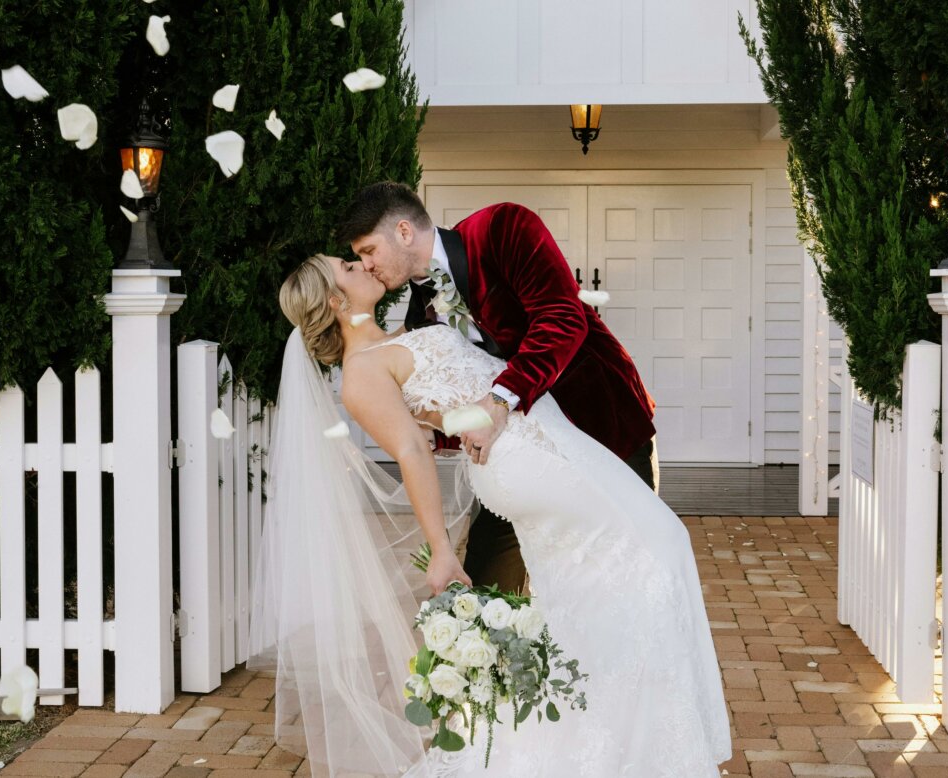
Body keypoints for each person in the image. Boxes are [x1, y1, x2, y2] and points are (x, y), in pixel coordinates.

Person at [249, 254, 730, 778]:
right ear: (336, 301)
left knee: (595, 587)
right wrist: (438, 552)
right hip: (524, 464)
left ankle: (599, 742)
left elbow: (445, 412)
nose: (359, 263)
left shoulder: (395, 334)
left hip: (550, 439)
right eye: (345, 265)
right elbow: (412, 451)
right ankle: (631, 740)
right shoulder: (360, 375)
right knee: (656, 546)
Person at [334, 182, 659, 596]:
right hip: (521, 454)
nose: (366, 265)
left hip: (604, 427)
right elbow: (461, 389)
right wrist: (434, 433)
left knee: (627, 572)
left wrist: (500, 401)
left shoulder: (503, 227)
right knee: (487, 586)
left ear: (402, 232)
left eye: (368, 251)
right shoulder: (419, 316)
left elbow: (562, 319)